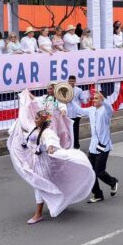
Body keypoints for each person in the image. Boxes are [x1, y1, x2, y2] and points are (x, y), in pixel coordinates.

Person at [7, 91, 95, 224]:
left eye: (37, 118)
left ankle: (38, 214)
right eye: (35, 118)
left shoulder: (47, 132)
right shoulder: (34, 129)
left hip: (43, 163)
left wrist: (50, 148)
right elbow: (26, 132)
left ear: (43, 121)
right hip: (36, 162)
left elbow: (51, 141)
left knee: (39, 185)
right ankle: (60, 199)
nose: (35, 119)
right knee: (45, 183)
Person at [74, 91, 119, 203]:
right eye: (93, 98)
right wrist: (69, 100)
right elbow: (79, 110)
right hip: (93, 147)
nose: (94, 100)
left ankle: (113, 182)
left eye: (96, 98)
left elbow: (110, 109)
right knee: (90, 172)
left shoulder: (105, 111)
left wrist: (104, 100)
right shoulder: (91, 110)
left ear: (102, 99)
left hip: (104, 146)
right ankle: (97, 194)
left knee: (99, 172)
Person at [66, 75, 91, 149]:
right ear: (68, 81)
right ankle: (69, 145)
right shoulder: (65, 89)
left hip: (76, 113)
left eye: (73, 81)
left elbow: (83, 100)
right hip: (67, 113)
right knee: (68, 130)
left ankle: (76, 146)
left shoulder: (79, 90)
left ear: (75, 81)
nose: (71, 82)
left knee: (75, 130)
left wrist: (87, 100)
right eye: (70, 81)